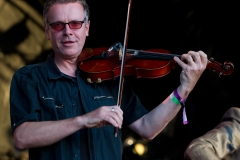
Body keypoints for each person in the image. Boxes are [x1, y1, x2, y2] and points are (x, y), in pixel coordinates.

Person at [9, 0, 208, 159]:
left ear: (87, 28)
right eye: (58, 25)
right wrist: (84, 120)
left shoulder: (111, 79)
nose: (68, 31)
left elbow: (148, 128)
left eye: (76, 23)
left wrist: (184, 88)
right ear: (47, 31)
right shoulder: (29, 78)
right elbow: (22, 137)